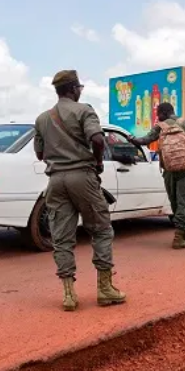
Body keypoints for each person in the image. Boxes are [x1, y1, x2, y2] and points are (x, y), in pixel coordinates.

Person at [33, 70, 126, 311]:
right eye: (79, 87)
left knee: (62, 237)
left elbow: (39, 153)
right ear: (74, 88)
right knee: (102, 230)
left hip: (55, 181)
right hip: (82, 177)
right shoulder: (84, 110)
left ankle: (69, 295)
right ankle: (105, 289)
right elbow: (97, 139)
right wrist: (97, 162)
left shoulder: (43, 118)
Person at [128, 102, 185, 249]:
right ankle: (180, 234)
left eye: (158, 113)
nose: (157, 116)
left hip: (168, 169)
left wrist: (132, 139)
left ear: (163, 113)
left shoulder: (160, 127)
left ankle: (182, 232)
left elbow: (144, 140)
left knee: (174, 200)